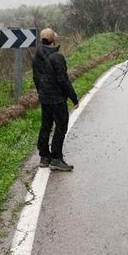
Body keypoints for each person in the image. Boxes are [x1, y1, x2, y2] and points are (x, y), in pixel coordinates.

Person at [32, 28, 78, 171]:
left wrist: (41, 93)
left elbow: (36, 78)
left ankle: (44, 157)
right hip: (57, 98)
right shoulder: (57, 57)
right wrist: (74, 98)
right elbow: (63, 80)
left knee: (46, 126)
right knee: (61, 126)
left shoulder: (36, 56)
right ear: (54, 40)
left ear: (41, 40)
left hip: (44, 97)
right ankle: (56, 159)